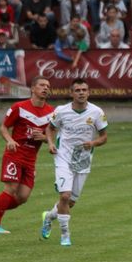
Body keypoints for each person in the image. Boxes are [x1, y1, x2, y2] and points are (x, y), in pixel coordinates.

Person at [0, 76, 54, 234]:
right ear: (33, 89)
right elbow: (3, 127)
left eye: (47, 86)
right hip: (14, 154)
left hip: (30, 159)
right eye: (42, 85)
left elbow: (52, 136)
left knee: (22, 197)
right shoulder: (19, 107)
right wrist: (9, 140)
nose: (45, 88)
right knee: (10, 188)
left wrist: (44, 138)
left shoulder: (51, 113)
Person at [41, 79, 108, 246]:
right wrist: (50, 143)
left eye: (84, 90)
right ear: (71, 93)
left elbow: (104, 137)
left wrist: (92, 143)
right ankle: (65, 235)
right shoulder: (61, 111)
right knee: (65, 195)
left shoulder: (97, 112)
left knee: (70, 202)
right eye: (77, 90)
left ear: (89, 92)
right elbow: (50, 128)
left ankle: (49, 217)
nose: (81, 93)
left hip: (83, 161)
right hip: (63, 157)